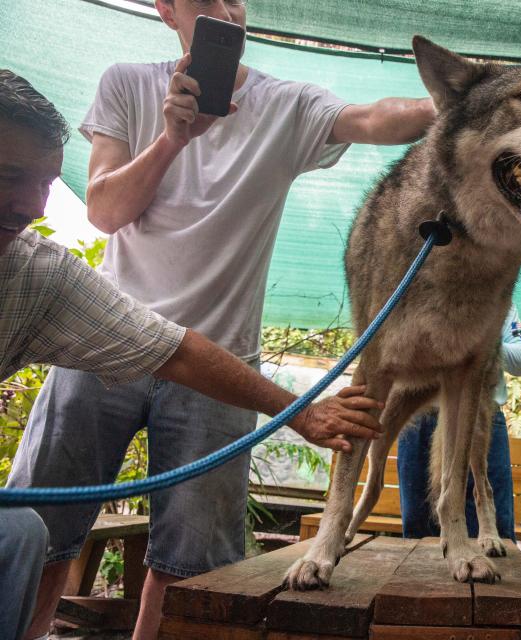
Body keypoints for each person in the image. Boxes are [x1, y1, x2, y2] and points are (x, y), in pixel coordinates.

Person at [9, 1, 436, 638]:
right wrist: (173, 138)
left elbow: (374, 118)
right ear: (167, 10)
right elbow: (104, 211)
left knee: (192, 562)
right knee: (39, 530)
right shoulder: (127, 82)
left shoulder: (288, 103)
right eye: (206, 0)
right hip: (101, 347)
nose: (227, 10)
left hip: (221, 360)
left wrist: (458, 100)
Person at [397, 303, 521, 541]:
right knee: (419, 529)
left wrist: (483, 341)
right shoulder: (416, 293)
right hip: (421, 419)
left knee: (495, 530)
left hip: (482, 419)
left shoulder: (499, 299)